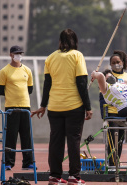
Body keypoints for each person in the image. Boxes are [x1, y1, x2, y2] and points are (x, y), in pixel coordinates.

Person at [31, 29, 92, 185]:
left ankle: (54, 176)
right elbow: (81, 84)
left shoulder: (50, 58)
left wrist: (43, 106)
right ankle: (74, 177)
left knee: (55, 142)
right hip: (74, 107)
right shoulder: (77, 56)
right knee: (73, 141)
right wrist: (88, 107)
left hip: (54, 107)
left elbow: (47, 84)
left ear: (60, 40)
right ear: (75, 41)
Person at [0, 45, 35, 170]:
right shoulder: (4, 71)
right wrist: (12, 96)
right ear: (11, 55)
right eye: (16, 53)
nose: (19, 55)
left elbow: (30, 89)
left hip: (25, 107)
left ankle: (28, 162)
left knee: (26, 135)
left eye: (20, 53)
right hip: (11, 107)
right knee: (10, 136)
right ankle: (8, 162)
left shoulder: (27, 70)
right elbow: (0, 90)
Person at [99, 50, 127, 166]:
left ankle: (116, 164)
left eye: (118, 61)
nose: (116, 64)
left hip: (125, 112)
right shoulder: (108, 76)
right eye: (113, 62)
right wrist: (104, 116)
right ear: (110, 64)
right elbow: (102, 97)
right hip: (112, 113)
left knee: (120, 140)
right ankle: (112, 165)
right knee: (112, 140)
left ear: (123, 62)